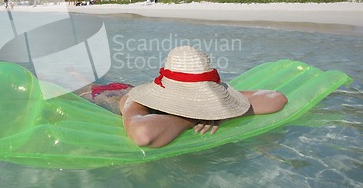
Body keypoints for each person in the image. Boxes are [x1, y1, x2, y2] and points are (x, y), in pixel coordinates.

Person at [78, 46, 287, 148]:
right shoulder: (136, 101)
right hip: (106, 95)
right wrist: (193, 117)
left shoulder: (212, 94)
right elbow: (143, 135)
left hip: (136, 89)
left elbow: (275, 98)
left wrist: (219, 112)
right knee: (85, 84)